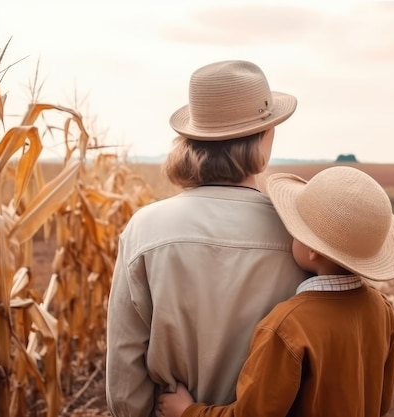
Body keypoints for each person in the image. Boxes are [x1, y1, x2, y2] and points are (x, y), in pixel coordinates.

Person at [105, 60, 309, 417]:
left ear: (192, 139)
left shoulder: (146, 228)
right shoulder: (301, 236)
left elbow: (125, 362)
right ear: (263, 139)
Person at [155, 165, 394, 417]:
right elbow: (382, 400)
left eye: (294, 229)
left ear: (312, 250)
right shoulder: (382, 309)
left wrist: (187, 412)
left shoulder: (289, 326)